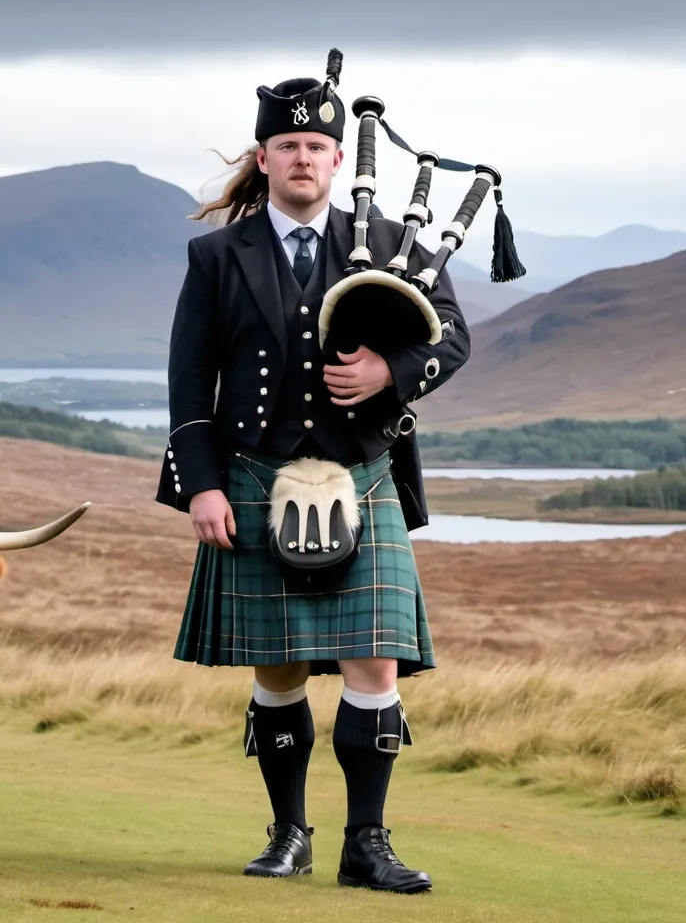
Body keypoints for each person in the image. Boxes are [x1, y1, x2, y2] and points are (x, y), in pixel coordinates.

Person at [155, 53, 470, 894]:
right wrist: (203, 483)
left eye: (316, 145)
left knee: (375, 665)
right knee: (280, 668)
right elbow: (190, 380)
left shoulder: (392, 246)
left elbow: (451, 339)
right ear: (263, 159)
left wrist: (389, 373)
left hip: (361, 477)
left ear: (338, 161)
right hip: (256, 476)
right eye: (287, 143)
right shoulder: (216, 257)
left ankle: (366, 843)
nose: (302, 157)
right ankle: (288, 832)